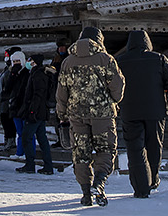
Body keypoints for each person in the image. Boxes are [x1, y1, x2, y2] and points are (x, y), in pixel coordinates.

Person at [55, 25, 124, 207]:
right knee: (106, 149)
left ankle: (86, 193)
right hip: (102, 115)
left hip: (77, 115)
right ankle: (99, 184)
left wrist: (62, 113)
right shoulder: (106, 59)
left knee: (80, 153)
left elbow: (62, 91)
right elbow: (117, 88)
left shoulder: (67, 62)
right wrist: (113, 101)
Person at [114, 29, 168, 199]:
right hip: (155, 112)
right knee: (154, 146)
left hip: (130, 111)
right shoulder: (159, 59)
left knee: (135, 149)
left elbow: (113, 86)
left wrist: (115, 107)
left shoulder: (120, 62)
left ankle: (141, 187)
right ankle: (152, 180)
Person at [15, 52, 57, 175]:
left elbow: (37, 95)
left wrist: (32, 110)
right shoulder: (38, 73)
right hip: (41, 112)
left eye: (30, 60)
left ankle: (30, 164)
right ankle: (47, 166)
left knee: (27, 136)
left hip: (36, 112)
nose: (28, 62)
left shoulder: (38, 75)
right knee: (42, 138)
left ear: (34, 62)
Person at [0, 46, 24, 153]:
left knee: (9, 122)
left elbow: (10, 86)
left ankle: (10, 141)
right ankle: (7, 140)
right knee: (5, 121)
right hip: (4, 100)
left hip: (9, 100)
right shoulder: (7, 69)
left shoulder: (14, 71)